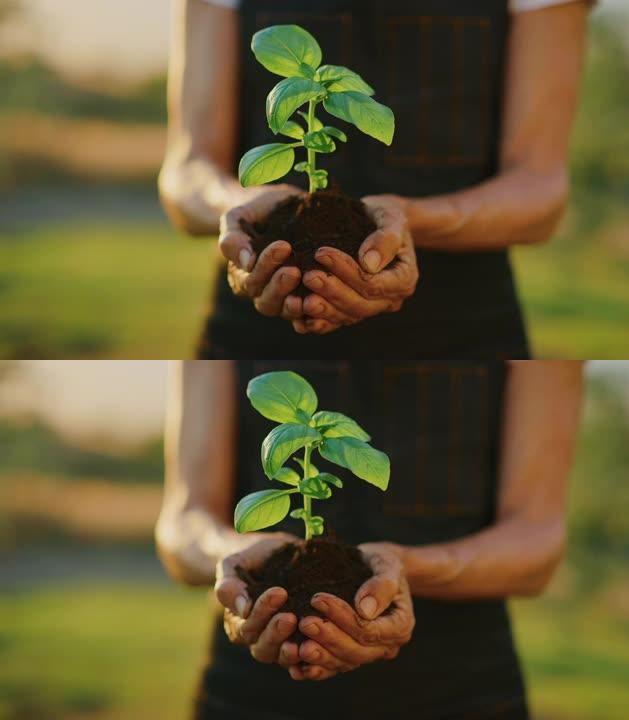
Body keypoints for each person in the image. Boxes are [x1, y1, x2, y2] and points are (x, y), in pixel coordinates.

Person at [159, 0, 591, 358]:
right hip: (255, 323)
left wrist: (412, 219)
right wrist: (234, 205)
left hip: (461, 331)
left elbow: (542, 189)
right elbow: (187, 170)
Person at [155, 360, 583, 718]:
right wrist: (235, 560)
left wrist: (409, 567)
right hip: (251, 693)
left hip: (461, 690)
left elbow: (538, 546)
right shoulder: (230, 335)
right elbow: (183, 523)